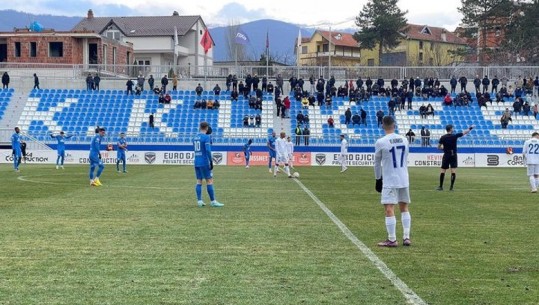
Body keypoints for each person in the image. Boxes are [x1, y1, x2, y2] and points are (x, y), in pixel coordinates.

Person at [374, 116, 412, 247]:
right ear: (394, 125)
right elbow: (406, 156)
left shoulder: (381, 141)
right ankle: (406, 237)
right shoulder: (404, 139)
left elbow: (377, 163)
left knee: (389, 208)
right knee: (404, 207)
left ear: (383, 126)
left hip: (390, 179)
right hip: (403, 177)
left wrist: (378, 179)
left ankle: (392, 239)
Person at [193, 122, 223, 207]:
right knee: (209, 180)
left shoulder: (195, 137)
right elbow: (208, 150)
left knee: (199, 181)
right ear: (206, 127)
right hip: (204, 161)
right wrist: (211, 161)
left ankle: (199, 201)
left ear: (200, 127)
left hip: (196, 161)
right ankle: (213, 201)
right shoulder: (206, 137)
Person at [437, 124, 474, 191]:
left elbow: (438, 147)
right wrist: (470, 128)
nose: (453, 129)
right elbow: (464, 132)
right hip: (453, 155)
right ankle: (451, 187)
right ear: (451, 129)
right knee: (453, 171)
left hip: (446, 155)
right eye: (452, 128)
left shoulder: (443, 137)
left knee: (443, 170)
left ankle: (440, 186)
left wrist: (444, 149)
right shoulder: (454, 136)